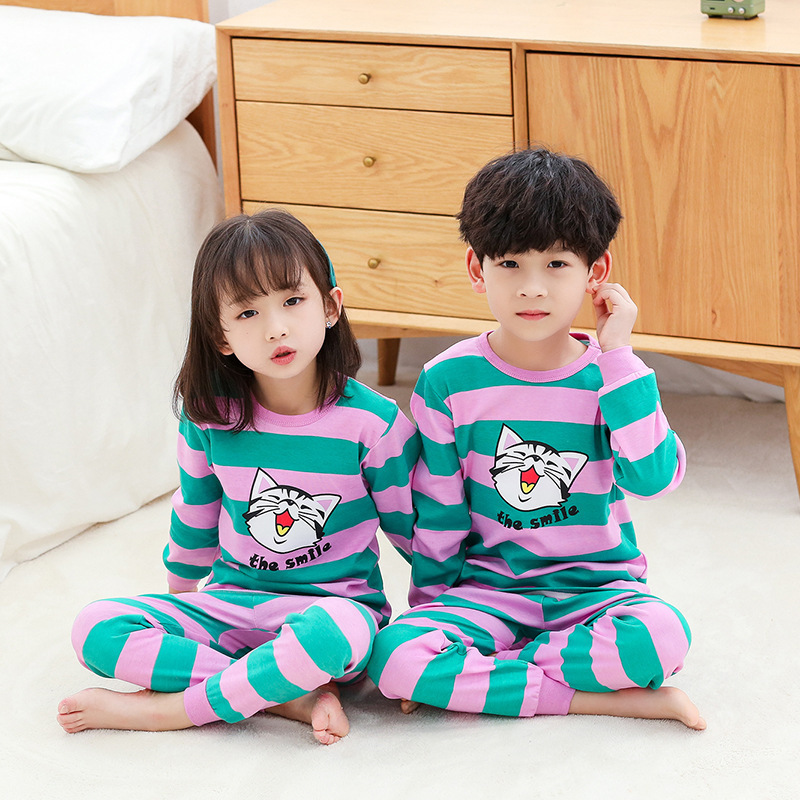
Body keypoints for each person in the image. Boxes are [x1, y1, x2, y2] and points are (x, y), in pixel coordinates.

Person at [367, 148, 705, 730]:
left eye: (556, 265)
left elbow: (653, 479)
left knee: (661, 637)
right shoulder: (447, 380)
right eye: (510, 264)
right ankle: (594, 696)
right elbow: (441, 512)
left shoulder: (612, 375)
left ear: (595, 272)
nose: (532, 289)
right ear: (477, 268)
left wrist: (620, 355)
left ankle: (489, 681)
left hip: (600, 593)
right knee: (395, 657)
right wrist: (431, 615)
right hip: (487, 592)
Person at [56, 209, 419, 744]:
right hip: (231, 605)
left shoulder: (375, 424)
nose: (276, 328)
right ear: (220, 336)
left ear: (330, 307)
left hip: (333, 617)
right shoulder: (209, 417)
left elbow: (416, 535)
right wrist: (180, 601)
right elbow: (195, 512)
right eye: (247, 312)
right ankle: (286, 696)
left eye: (292, 301)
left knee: (333, 635)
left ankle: (170, 711)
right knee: (95, 628)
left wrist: (432, 630)